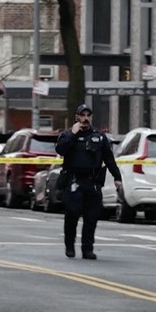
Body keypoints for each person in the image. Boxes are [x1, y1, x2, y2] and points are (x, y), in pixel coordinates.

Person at [55, 104, 122, 260]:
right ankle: (70, 245)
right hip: (74, 181)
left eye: (88, 115)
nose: (85, 118)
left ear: (91, 117)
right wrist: (72, 133)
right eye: (82, 115)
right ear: (77, 117)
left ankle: (87, 249)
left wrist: (117, 177)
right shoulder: (68, 135)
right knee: (72, 215)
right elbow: (60, 150)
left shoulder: (99, 137)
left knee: (91, 218)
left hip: (92, 182)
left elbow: (109, 159)